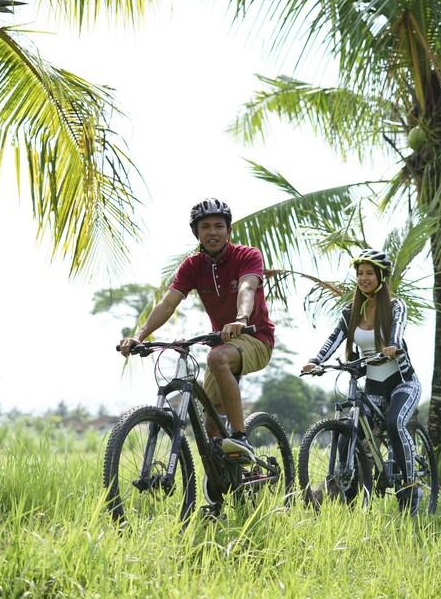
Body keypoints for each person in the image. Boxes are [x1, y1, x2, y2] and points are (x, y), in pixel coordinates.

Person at [118, 198, 275, 461]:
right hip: (222, 345)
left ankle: (240, 437)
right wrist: (139, 335)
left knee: (216, 357)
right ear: (196, 233)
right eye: (205, 227)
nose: (212, 232)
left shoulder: (248, 256)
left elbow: (247, 288)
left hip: (255, 339)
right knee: (211, 424)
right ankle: (220, 489)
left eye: (218, 226)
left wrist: (240, 318)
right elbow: (168, 303)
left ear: (229, 231)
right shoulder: (193, 266)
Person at [301, 248, 424, 515]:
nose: (363, 278)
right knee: (349, 433)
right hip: (373, 387)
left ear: (380, 275)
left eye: (369, 273)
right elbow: (334, 339)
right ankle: (349, 493)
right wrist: (316, 360)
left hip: (402, 383)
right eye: (359, 273)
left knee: (394, 423)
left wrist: (392, 345)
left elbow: (398, 329)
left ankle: (411, 487)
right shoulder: (351, 311)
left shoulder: (394, 306)